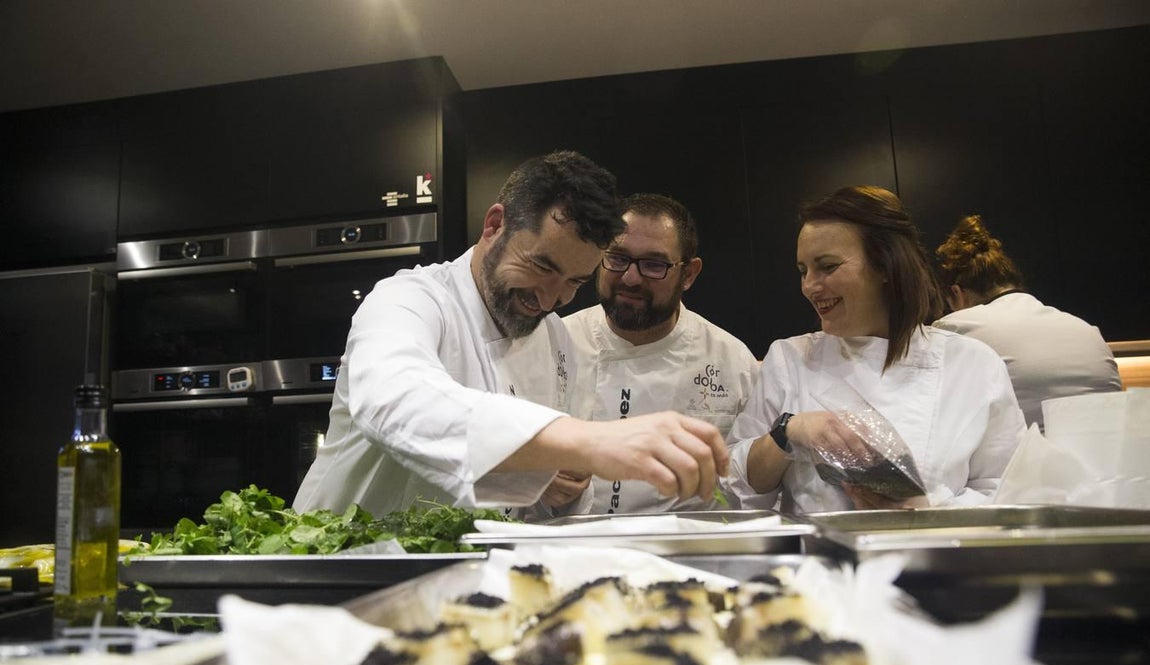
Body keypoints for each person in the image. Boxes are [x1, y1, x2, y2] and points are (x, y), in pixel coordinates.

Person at [293, 151, 728, 519]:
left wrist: (558, 487)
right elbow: (395, 401)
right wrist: (589, 441)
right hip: (340, 560)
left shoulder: (557, 342)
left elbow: (530, 509)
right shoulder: (409, 299)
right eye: (541, 266)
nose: (550, 299)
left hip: (462, 571)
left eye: (574, 282)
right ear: (495, 224)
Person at [727, 186, 1025, 515]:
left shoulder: (972, 365)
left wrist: (929, 509)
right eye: (803, 271)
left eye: (827, 267)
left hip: (938, 546)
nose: (809, 286)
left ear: (885, 265)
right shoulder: (790, 359)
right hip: (818, 548)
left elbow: (1010, 490)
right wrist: (789, 433)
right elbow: (735, 488)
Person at [562, 193, 760, 514]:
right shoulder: (558, 342)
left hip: (688, 540)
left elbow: (752, 486)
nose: (630, 278)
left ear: (689, 274)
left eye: (654, 265)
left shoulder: (731, 360)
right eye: (618, 258)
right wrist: (542, 481)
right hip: (572, 540)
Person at [932, 214, 1121, 431]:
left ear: (957, 293)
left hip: (1027, 453)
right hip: (1110, 451)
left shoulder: (954, 328)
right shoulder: (1087, 330)